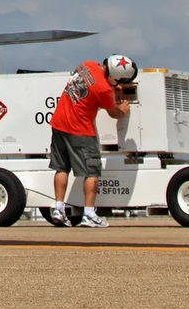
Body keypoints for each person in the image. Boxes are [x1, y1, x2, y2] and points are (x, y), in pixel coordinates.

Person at [49, 54, 136, 228]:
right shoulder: (104, 90)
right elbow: (113, 113)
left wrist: (111, 87)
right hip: (81, 129)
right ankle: (89, 214)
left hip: (59, 122)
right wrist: (124, 109)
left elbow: (92, 85)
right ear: (113, 78)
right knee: (91, 170)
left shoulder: (86, 65)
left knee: (61, 167)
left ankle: (58, 209)